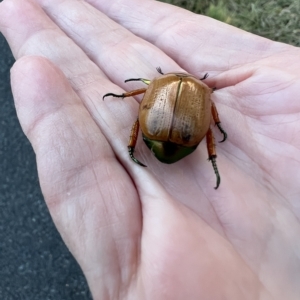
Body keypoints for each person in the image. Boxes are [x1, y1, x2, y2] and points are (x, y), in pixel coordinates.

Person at [1, 0, 300, 299]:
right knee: (197, 127)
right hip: (185, 138)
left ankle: (139, 150)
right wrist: (216, 128)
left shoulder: (155, 84)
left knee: (138, 120)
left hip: (156, 134)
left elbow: (151, 100)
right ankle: (209, 160)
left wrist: (124, 94)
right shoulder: (204, 93)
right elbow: (211, 120)